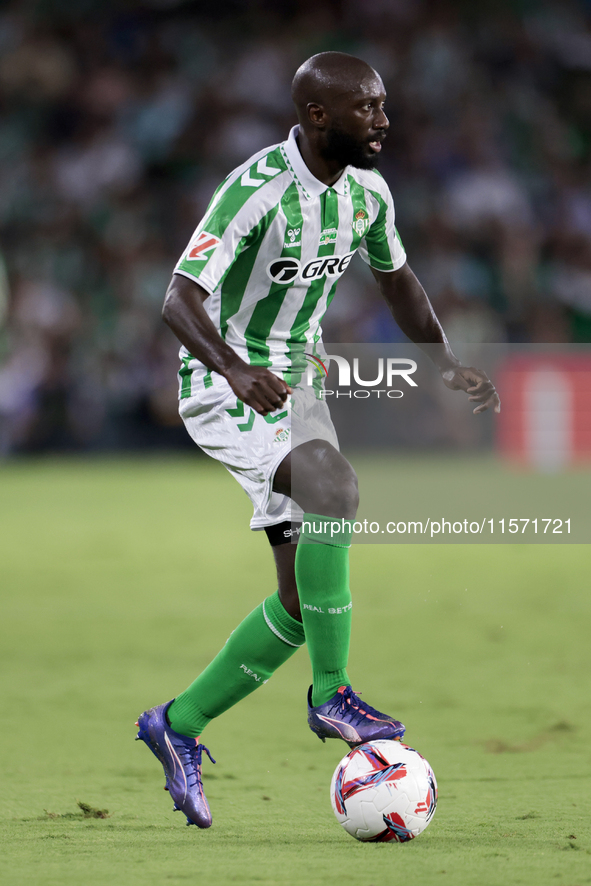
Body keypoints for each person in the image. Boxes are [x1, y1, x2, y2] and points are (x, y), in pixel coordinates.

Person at [135, 51, 500, 829]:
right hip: (226, 382)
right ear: (317, 117)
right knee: (333, 485)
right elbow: (178, 295)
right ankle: (331, 696)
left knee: (302, 601)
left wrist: (445, 364)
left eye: (382, 105)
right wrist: (232, 367)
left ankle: (178, 724)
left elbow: (397, 279)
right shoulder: (255, 190)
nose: (383, 120)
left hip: (301, 385)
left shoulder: (368, 192)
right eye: (366, 108)